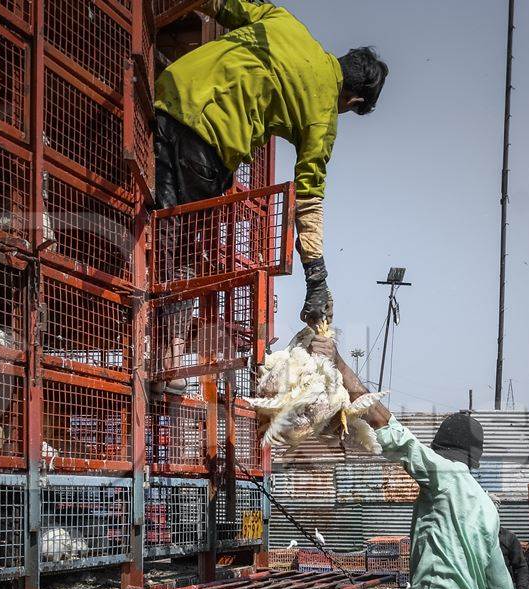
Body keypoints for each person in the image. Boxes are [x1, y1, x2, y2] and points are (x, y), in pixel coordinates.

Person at [152, 0, 388, 394]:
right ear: (355, 101)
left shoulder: (284, 23)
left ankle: (158, 356)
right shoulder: (323, 114)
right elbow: (309, 198)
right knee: (184, 254)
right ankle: (167, 360)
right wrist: (317, 278)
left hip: (168, 96)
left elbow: (223, 4)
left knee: (160, 231)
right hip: (208, 141)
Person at [310, 337, 518, 589]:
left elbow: (389, 428)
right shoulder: (485, 503)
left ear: (442, 451)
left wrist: (339, 363)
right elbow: (500, 584)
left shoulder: (444, 477)